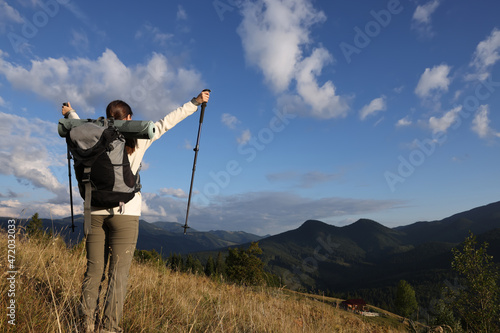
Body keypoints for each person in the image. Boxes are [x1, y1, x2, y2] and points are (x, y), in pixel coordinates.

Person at [61, 90, 210, 333]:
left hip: (93, 210)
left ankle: (84, 325)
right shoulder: (138, 140)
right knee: (118, 274)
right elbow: (166, 123)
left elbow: (77, 126)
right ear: (129, 119)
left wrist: (70, 112)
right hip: (126, 212)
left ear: (106, 117)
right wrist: (194, 103)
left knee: (94, 270)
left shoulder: (90, 136)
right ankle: (108, 328)